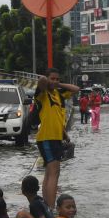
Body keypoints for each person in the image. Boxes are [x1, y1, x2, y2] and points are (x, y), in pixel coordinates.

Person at [35, 68, 80, 209]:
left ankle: (47, 206)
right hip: (47, 137)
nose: (55, 81)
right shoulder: (43, 94)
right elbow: (41, 80)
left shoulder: (59, 95)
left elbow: (76, 89)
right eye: (52, 78)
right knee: (54, 172)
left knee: (50, 173)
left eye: (57, 79)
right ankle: (51, 207)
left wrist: (58, 85)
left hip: (56, 137)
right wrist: (48, 82)